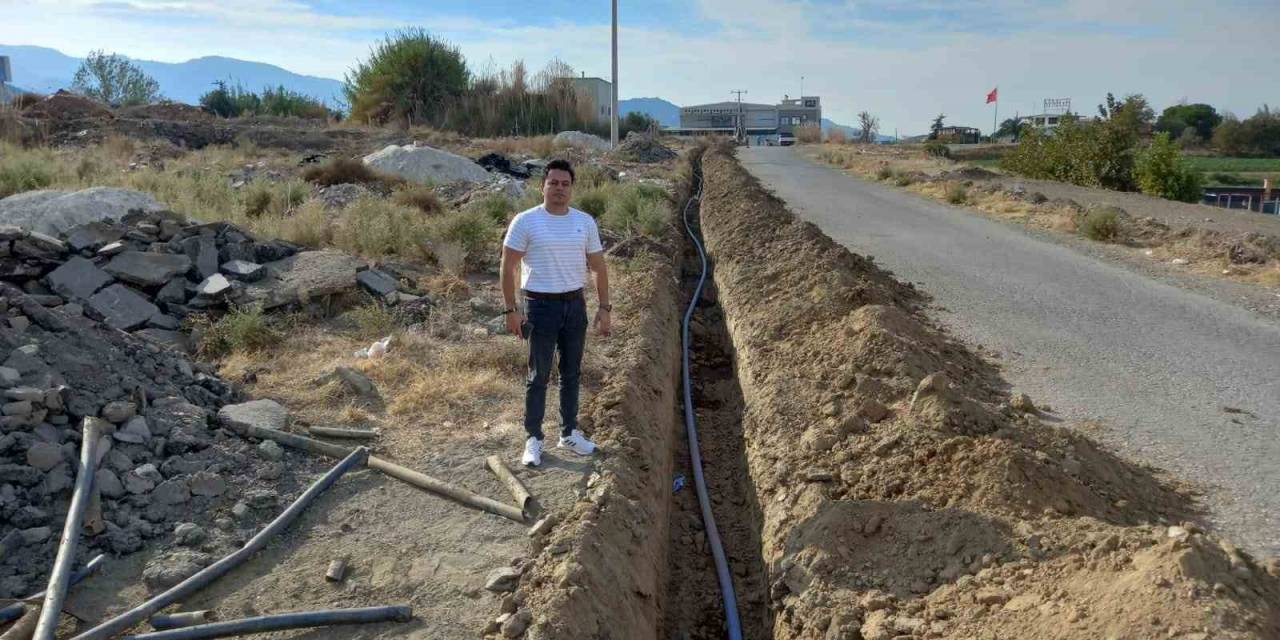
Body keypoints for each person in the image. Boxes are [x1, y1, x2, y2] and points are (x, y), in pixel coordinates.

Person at [500, 159, 611, 467]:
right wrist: (511, 310)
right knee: (538, 376)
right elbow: (507, 267)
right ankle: (533, 438)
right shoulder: (526, 221)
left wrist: (604, 307)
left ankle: (569, 433)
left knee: (571, 373)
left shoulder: (584, 222)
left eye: (565, 184)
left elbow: (599, 268)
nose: (559, 189)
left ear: (571, 188)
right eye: (553, 183)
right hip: (540, 306)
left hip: (574, 306)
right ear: (543, 186)